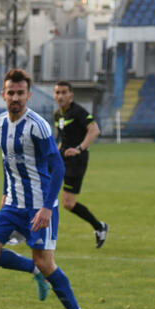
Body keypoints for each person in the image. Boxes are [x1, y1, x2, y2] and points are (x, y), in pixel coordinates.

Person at [0, 69, 88, 309]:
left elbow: (57, 167)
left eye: (20, 93)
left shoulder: (37, 125)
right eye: (10, 93)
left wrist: (47, 206)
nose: (15, 97)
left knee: (45, 261)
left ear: (28, 95)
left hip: (40, 204)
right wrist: (5, 191)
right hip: (13, 203)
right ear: (3, 94)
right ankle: (35, 272)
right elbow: (8, 160)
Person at [52, 81, 108, 248]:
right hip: (61, 159)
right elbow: (64, 139)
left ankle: (99, 227)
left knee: (68, 203)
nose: (60, 96)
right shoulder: (57, 115)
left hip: (76, 161)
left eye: (64, 92)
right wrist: (54, 154)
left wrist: (79, 148)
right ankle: (25, 228)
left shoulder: (78, 111)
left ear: (71, 95)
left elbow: (94, 130)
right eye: (57, 93)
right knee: (38, 188)